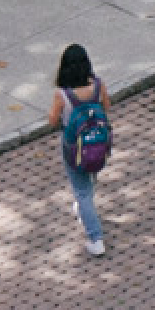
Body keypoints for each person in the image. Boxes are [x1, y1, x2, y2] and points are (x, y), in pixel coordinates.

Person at [54, 44, 112, 257]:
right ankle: (83, 208)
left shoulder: (63, 94)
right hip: (97, 143)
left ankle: (96, 238)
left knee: (82, 192)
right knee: (91, 176)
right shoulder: (98, 85)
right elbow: (107, 107)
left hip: (74, 147)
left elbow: (52, 120)